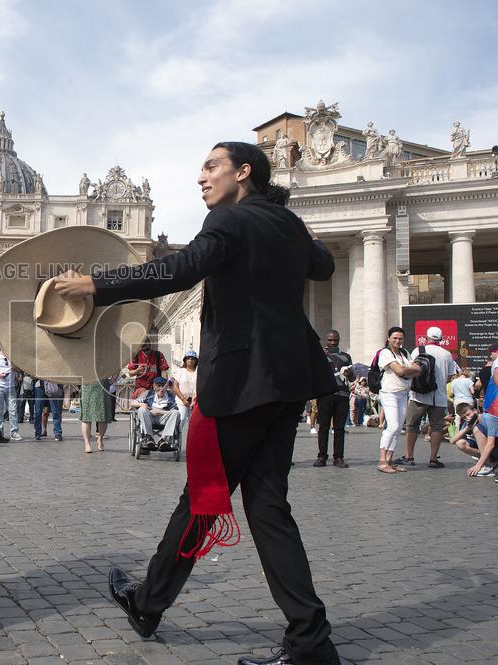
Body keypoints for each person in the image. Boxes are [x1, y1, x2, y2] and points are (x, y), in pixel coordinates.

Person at [54, 141, 340, 664]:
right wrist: (298, 233)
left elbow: (177, 271)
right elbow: (322, 266)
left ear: (244, 172)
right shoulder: (285, 223)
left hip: (239, 380)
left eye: (212, 167)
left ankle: (148, 603)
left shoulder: (229, 222)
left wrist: (95, 284)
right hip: (288, 380)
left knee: (205, 495)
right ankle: (309, 641)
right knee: (269, 508)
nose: (201, 178)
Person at [400, 326, 458, 468]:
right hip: (439, 396)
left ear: (426, 338)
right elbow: (450, 376)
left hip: (419, 395)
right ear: (441, 339)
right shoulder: (446, 354)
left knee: (412, 425)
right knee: (437, 427)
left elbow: (411, 369)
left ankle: (409, 456)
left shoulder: (418, 350)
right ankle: (433, 459)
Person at [373, 327, 420, 473]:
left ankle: (389, 460)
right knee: (392, 426)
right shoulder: (385, 353)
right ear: (388, 339)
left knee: (399, 428)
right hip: (389, 393)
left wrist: (407, 369)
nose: (397, 341)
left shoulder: (405, 352)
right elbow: (401, 371)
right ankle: (382, 460)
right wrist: (409, 369)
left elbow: (419, 369)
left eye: (400, 338)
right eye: (394, 338)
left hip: (403, 392)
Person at [314, 330, 352, 468]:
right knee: (323, 427)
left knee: (339, 428)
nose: (332, 343)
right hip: (325, 394)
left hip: (342, 395)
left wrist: (350, 373)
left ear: (339, 340)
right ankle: (322, 456)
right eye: (330, 340)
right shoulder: (319, 356)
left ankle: (339, 457)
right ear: (326, 341)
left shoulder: (346, 357)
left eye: (335, 340)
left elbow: (352, 378)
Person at [131, 376, 183, 452]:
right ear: (154, 386)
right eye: (159, 386)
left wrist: (159, 412)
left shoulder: (170, 395)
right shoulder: (148, 394)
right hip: (149, 418)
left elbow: (174, 410)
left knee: (176, 413)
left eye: (163, 386)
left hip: (163, 418)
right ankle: (148, 437)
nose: (161, 388)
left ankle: (164, 439)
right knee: (142, 410)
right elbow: (132, 403)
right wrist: (141, 404)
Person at [451, 402, 498, 477]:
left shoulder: (489, 418)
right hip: (492, 449)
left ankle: (487, 464)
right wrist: (467, 428)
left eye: (468, 414)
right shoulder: (469, 422)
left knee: (477, 429)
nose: (468, 418)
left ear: (475, 410)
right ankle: (490, 461)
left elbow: (490, 444)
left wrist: (478, 465)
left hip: (494, 446)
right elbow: (452, 441)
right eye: (464, 417)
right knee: (460, 443)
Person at [0, 344, 20, 440]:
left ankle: (14, 432)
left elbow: (19, 369)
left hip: (11, 387)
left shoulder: (13, 357)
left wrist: (15, 367)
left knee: (13, 410)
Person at [80, 378, 114, 453]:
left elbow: (116, 368)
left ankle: (100, 438)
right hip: (87, 385)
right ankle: (87, 443)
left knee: (102, 416)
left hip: (103, 385)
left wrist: (112, 380)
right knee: (86, 417)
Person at [172, 351, 198, 423]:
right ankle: (177, 434)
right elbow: (175, 387)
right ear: (185, 360)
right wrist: (183, 399)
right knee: (181, 420)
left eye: (193, 358)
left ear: (196, 361)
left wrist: (195, 400)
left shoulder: (199, 372)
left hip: (195, 402)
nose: (190, 359)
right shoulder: (180, 371)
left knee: (194, 423)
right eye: (188, 358)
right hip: (181, 401)